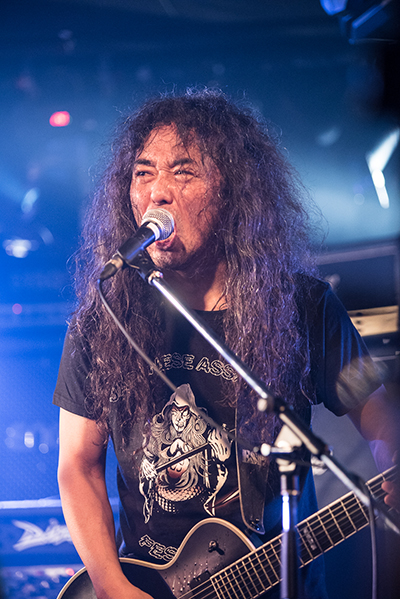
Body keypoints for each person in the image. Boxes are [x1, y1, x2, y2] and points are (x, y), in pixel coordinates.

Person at [53, 89, 399, 599]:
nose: (157, 192)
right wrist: (110, 584)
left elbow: (376, 408)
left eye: (183, 172)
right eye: (143, 173)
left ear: (233, 192)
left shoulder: (306, 307)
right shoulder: (105, 320)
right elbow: (77, 465)